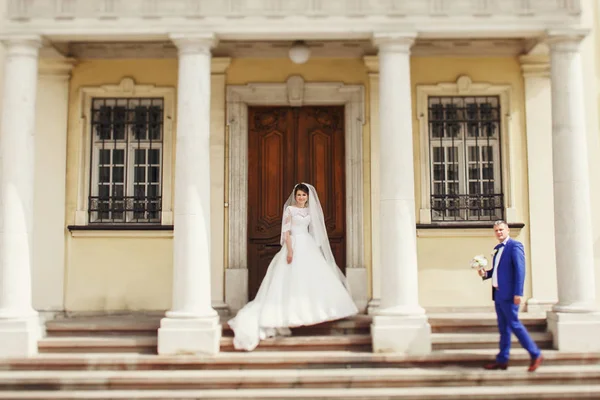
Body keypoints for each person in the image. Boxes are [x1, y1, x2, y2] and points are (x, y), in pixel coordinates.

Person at [228, 183, 358, 351]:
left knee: (312, 279)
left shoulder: (310, 211)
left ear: (307, 197)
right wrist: (290, 251)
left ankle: (317, 311)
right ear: (295, 196)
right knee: (289, 279)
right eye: (299, 195)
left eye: (304, 195)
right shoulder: (290, 210)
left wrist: (315, 249)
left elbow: (315, 231)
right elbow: (286, 232)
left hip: (308, 245)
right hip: (294, 244)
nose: (301, 198)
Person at [478, 220, 543, 372]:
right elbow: (497, 271)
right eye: (496, 230)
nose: (499, 232)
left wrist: (518, 293)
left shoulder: (515, 246)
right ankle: (502, 360)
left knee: (514, 325)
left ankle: (536, 353)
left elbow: (520, 271)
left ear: (507, 230)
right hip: (498, 294)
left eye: (501, 230)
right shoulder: (497, 249)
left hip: (509, 295)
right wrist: (485, 273)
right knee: (503, 328)